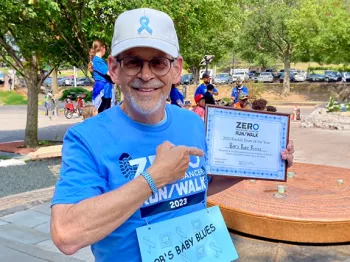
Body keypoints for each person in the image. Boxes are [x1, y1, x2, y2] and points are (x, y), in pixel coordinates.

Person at [51, 8, 294, 262]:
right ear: (113, 68)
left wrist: (264, 160)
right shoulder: (86, 138)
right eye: (133, 62)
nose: (146, 75)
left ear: (176, 69)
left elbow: (203, 185)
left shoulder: (191, 122)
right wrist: (153, 178)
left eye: (158, 62)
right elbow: (66, 234)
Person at [89, 40, 115, 113]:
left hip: (106, 88)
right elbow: (109, 73)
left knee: (106, 111)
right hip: (102, 89)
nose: (105, 50)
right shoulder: (97, 60)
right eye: (105, 47)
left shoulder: (99, 60)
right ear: (102, 48)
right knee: (102, 111)